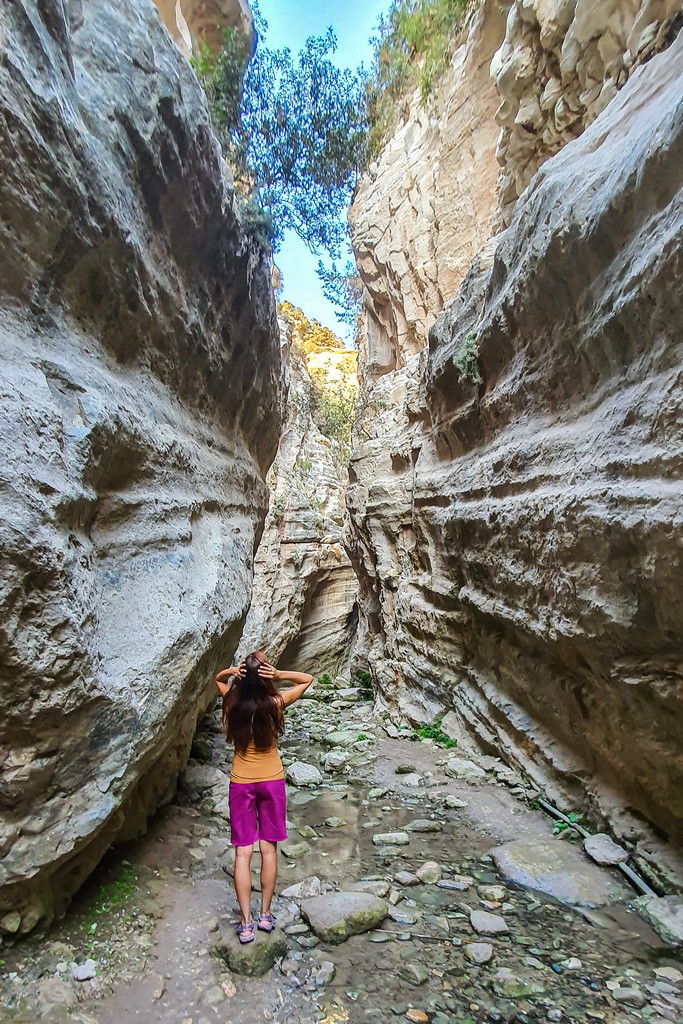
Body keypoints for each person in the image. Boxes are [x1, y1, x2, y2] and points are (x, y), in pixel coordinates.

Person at [215, 651, 313, 944]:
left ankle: (245, 923)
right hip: (271, 781)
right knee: (268, 851)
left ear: (244, 677)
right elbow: (307, 680)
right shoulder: (276, 703)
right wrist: (279, 674)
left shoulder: (231, 701)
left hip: (241, 782)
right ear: (266, 675)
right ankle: (266, 915)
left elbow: (217, 679)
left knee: (243, 853)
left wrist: (233, 670)